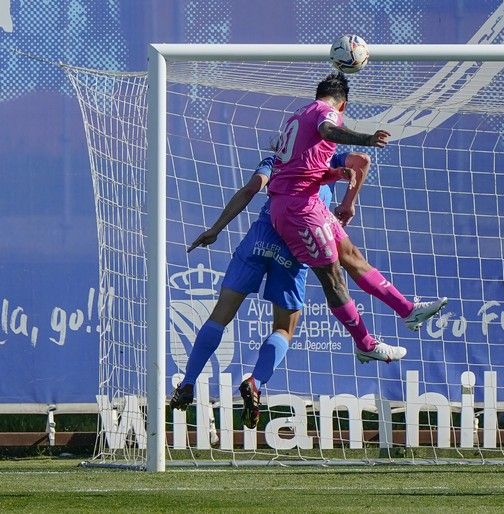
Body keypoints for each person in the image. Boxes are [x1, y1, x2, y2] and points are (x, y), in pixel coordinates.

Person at [170, 150, 361, 429]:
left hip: (259, 239)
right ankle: (255, 383)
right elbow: (360, 161)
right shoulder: (327, 162)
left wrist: (216, 228)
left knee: (220, 315)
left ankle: (187, 382)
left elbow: (250, 189)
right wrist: (349, 200)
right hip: (295, 246)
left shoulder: (277, 160)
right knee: (284, 328)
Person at [267, 71, 447, 365]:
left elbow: (301, 167)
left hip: (306, 201)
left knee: (351, 255)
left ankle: (407, 310)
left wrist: (336, 173)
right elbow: (328, 130)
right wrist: (366, 138)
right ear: (343, 104)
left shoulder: (299, 115)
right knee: (332, 276)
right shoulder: (326, 113)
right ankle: (364, 343)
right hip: (298, 209)